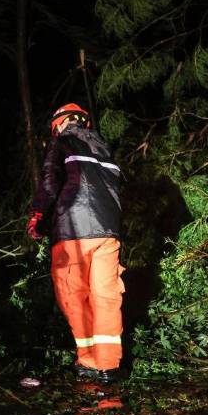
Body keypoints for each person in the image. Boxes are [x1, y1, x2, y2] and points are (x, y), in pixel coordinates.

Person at [27, 103, 124, 382]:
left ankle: (87, 360)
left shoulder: (61, 143)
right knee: (105, 296)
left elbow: (49, 182)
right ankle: (107, 365)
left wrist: (38, 218)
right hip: (108, 231)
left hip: (73, 230)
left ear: (60, 123)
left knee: (73, 294)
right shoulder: (103, 147)